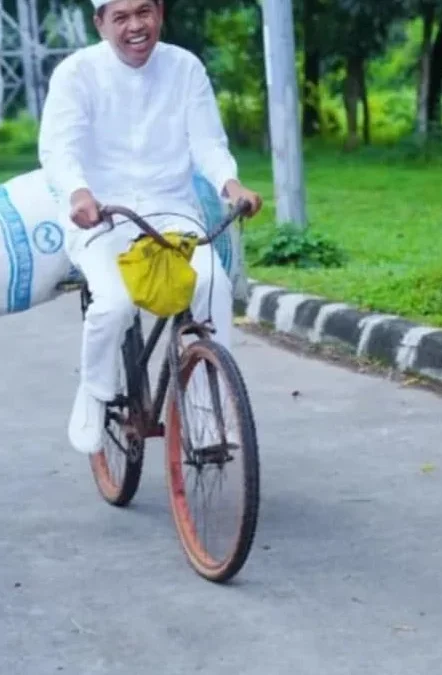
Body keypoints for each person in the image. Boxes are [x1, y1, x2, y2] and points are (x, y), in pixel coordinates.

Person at [38, 0, 263, 454]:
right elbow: (59, 149)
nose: (136, 26)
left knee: (212, 286)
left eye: (144, 12)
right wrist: (79, 192)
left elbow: (207, 142)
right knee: (116, 304)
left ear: (160, 11)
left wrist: (231, 184)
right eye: (120, 17)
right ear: (99, 23)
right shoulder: (76, 73)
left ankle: (204, 417)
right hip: (102, 214)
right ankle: (95, 392)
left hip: (170, 213)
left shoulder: (185, 67)